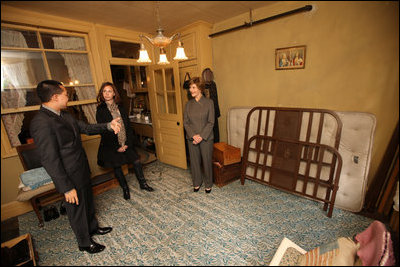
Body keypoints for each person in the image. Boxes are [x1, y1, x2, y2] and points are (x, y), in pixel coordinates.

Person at [30, 80, 121, 254]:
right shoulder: (41, 123)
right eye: (65, 94)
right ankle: (84, 242)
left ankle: (92, 228)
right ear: (55, 97)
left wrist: (108, 126)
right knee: (76, 210)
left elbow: (86, 128)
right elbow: (50, 160)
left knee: (87, 201)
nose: (68, 97)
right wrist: (66, 187)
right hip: (68, 175)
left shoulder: (64, 114)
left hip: (81, 168)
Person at [96, 82, 154, 201]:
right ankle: (125, 189)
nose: (106, 93)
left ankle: (143, 184)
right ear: (102, 94)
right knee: (117, 167)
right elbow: (104, 131)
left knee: (136, 161)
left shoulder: (120, 107)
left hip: (126, 142)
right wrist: (117, 146)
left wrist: (127, 143)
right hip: (112, 145)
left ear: (114, 94)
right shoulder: (100, 110)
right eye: (104, 91)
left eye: (109, 91)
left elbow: (127, 126)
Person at [183, 77, 215, 193]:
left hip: (206, 138)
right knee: (194, 162)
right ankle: (196, 182)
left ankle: (208, 183)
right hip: (192, 138)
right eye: (190, 88)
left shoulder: (209, 103)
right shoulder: (188, 105)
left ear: (200, 88)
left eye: (193, 87)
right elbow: (185, 122)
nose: (190, 90)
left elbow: (211, 122)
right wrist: (194, 136)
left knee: (206, 161)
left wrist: (201, 136)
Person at [202, 68, 221, 143]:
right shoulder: (202, 86)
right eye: (207, 74)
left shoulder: (213, 84)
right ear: (204, 75)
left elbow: (216, 98)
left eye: (210, 74)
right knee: (208, 133)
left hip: (215, 112)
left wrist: (217, 112)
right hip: (207, 114)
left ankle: (216, 149)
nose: (209, 75)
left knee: (216, 133)